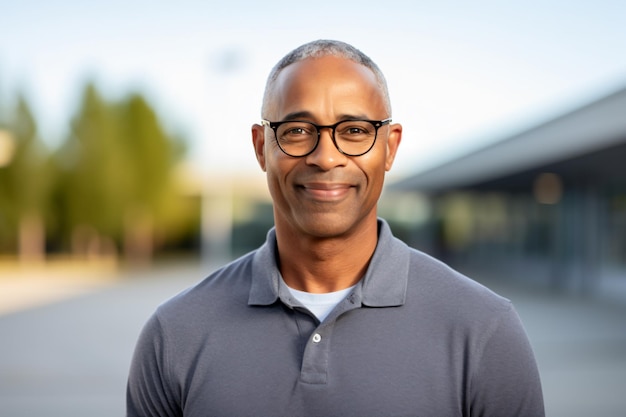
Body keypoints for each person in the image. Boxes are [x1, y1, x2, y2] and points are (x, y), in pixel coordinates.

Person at [126, 39, 544, 417]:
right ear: (261, 148)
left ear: (390, 147)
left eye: (355, 131)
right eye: (296, 131)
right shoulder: (175, 333)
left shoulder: (484, 329)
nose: (326, 157)